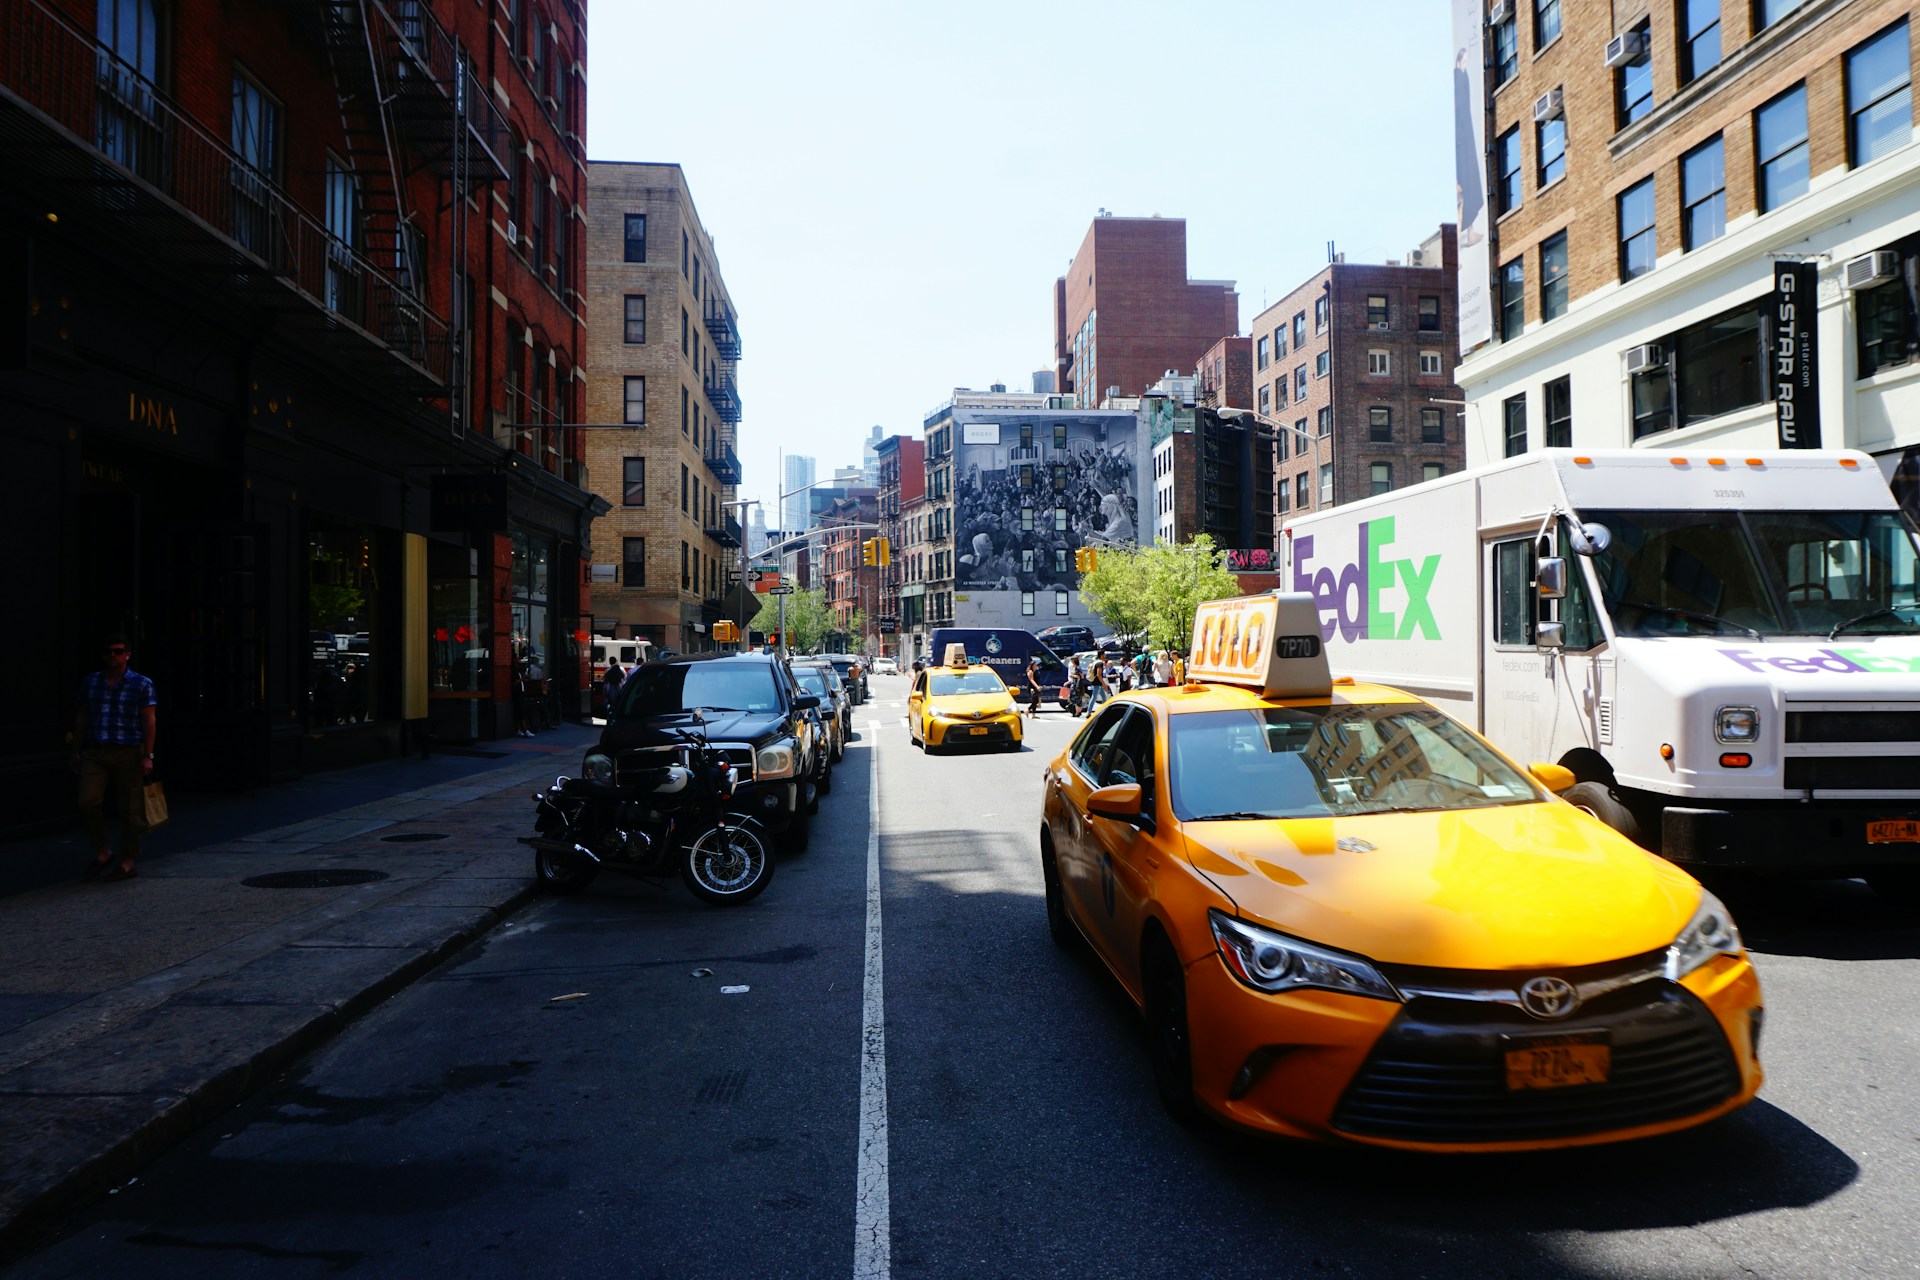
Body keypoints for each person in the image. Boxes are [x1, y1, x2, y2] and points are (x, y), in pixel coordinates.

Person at [71, 634, 156, 882]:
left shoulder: (141, 684)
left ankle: (128, 861)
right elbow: (83, 716)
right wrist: (76, 749)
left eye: (118, 651)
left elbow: (149, 719)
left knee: (129, 809)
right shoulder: (92, 682)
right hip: (97, 751)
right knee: (88, 801)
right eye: (108, 652)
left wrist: (148, 755)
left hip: (128, 751)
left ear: (127, 654)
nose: (112, 656)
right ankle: (103, 850)